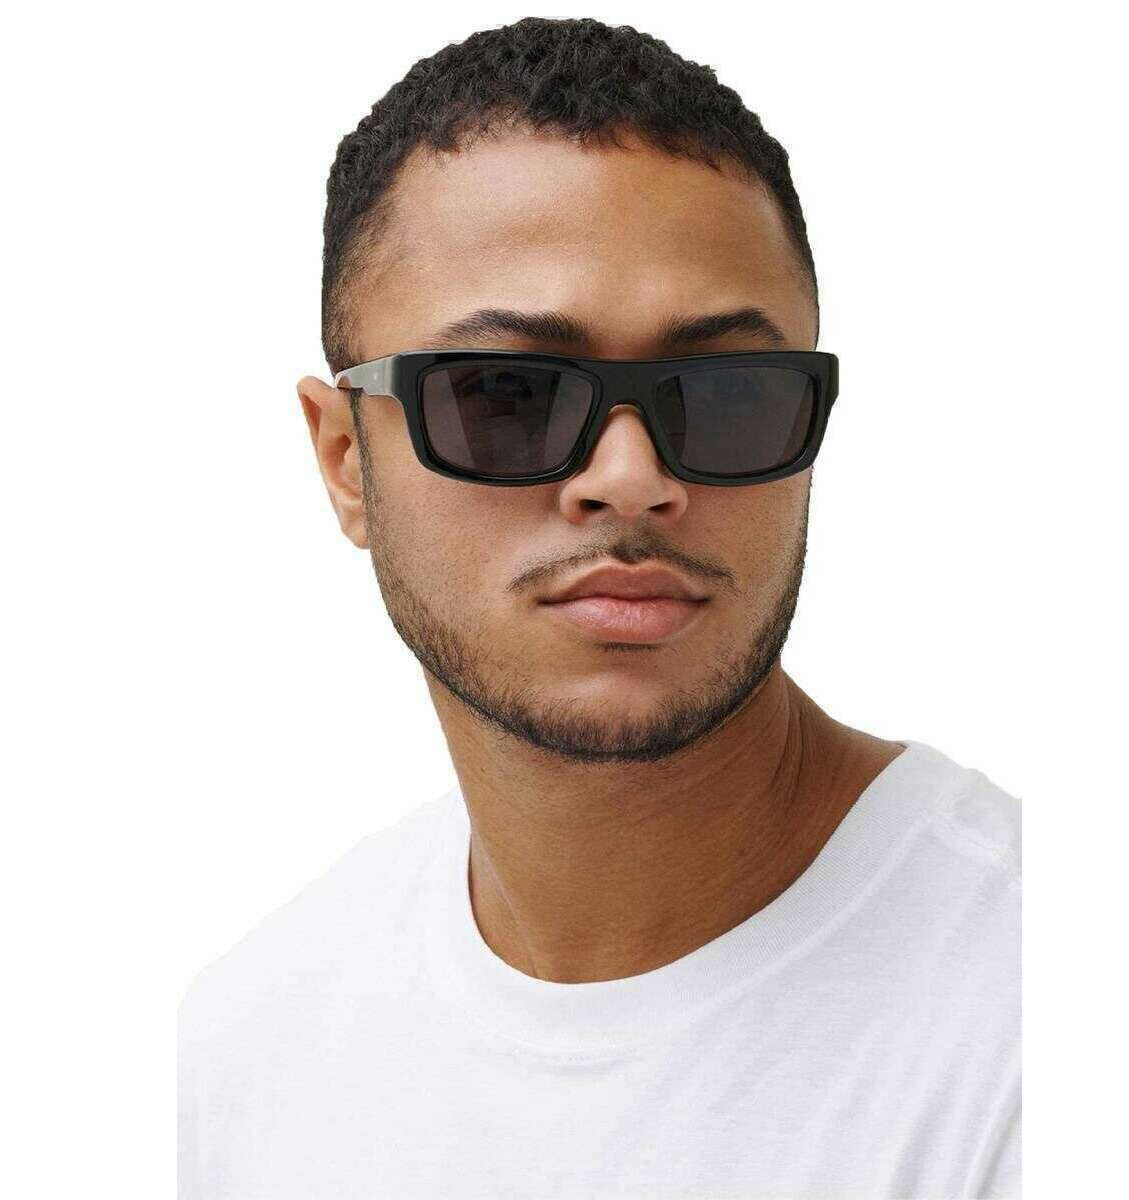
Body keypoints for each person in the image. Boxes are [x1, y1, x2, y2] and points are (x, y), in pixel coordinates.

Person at [178, 16, 1021, 1199]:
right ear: (344, 461)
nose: (630, 478)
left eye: (725, 393)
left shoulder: (1042, 1021)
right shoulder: (248, 1054)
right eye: (506, 395)